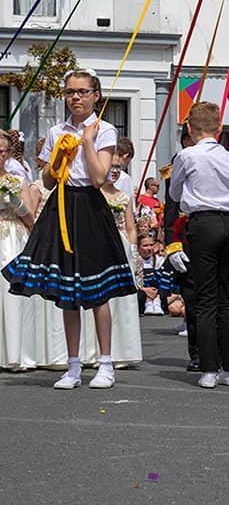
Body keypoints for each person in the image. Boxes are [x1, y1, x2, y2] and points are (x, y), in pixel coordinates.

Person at [3, 69, 137, 389]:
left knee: (97, 291)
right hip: (61, 204)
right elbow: (48, 180)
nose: (75, 97)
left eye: (82, 91)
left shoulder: (104, 130)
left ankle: (105, 364)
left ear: (95, 95)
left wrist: (87, 143)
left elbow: (99, 177)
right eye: (70, 92)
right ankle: (73, 365)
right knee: (67, 289)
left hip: (89, 207)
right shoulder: (56, 131)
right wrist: (57, 159)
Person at [169, 102, 229, 389]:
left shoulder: (187, 155)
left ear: (190, 129)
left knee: (204, 298)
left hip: (202, 222)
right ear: (219, 128)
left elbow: (175, 192)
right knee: (222, 296)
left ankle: (208, 368)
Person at [97, 156, 144, 366]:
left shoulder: (124, 196)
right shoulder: (94, 194)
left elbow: (131, 226)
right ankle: (96, 350)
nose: (115, 170)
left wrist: (133, 251)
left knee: (122, 300)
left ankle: (123, 350)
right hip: (99, 243)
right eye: (112, 166)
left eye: (118, 167)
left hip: (121, 245)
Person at [0, 129, 39, 370]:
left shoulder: (17, 180)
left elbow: (31, 219)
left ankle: (16, 352)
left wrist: (15, 203)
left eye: (2, 151)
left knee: (10, 293)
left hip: (13, 236)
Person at [163, 125, 199, 370]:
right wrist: (172, 245)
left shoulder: (221, 158)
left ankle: (221, 356)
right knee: (192, 296)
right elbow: (171, 207)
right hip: (184, 233)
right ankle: (198, 354)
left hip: (213, 233)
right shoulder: (178, 164)